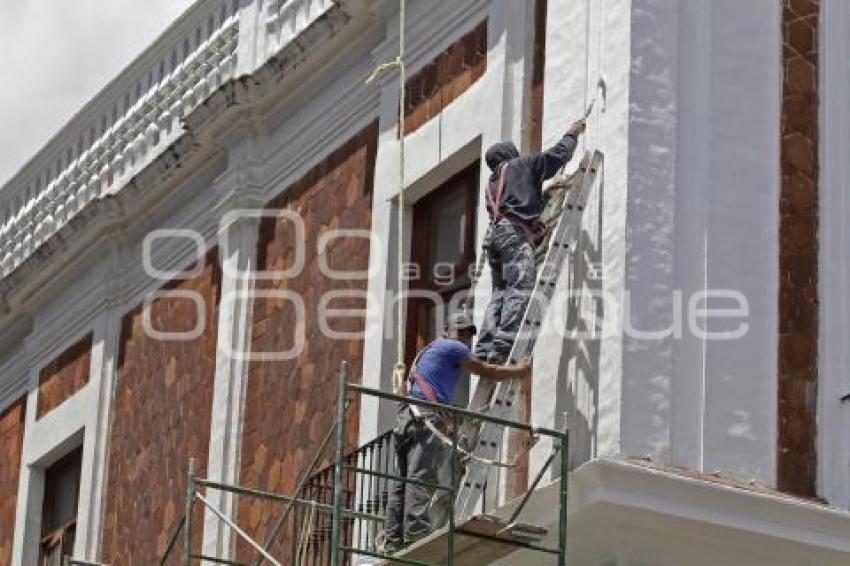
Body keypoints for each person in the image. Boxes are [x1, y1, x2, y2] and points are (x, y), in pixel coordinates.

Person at [382, 312, 531, 552]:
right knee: (420, 480)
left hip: (408, 419)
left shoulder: (428, 352)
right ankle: (414, 540)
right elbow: (487, 371)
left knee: (401, 484)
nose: (464, 339)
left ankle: (392, 542)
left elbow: (417, 388)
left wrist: (444, 418)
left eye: (467, 334)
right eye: (460, 332)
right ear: (446, 331)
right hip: (423, 419)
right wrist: (519, 371)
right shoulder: (452, 347)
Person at [473, 119, 587, 364]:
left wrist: (544, 193)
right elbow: (556, 157)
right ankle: (503, 345)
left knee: (500, 292)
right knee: (521, 286)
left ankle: (484, 347)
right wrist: (572, 134)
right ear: (511, 155)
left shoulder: (492, 183)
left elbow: (516, 204)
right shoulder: (521, 164)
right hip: (514, 236)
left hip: (496, 239)